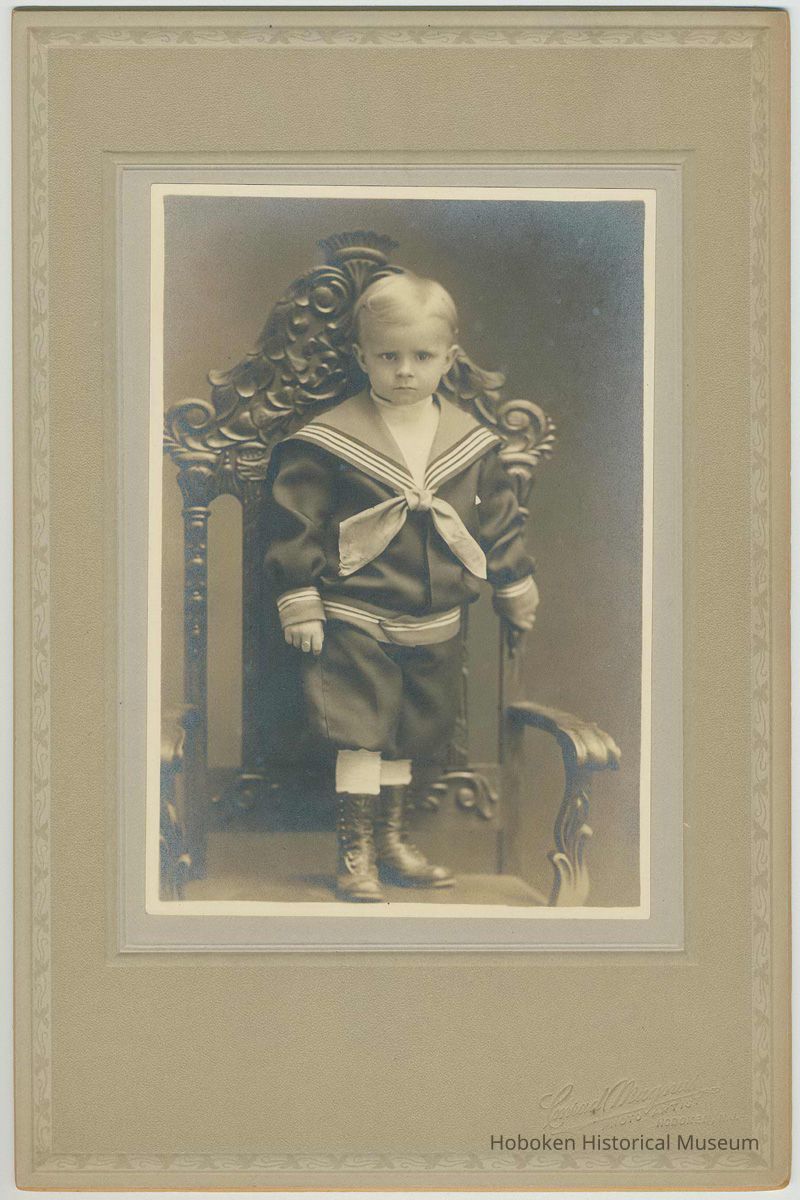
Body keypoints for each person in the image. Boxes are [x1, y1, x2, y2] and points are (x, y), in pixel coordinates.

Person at [264, 271, 538, 901]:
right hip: (356, 611)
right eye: (388, 356)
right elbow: (296, 520)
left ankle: (391, 839)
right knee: (362, 726)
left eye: (422, 356)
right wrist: (299, 597)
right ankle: (354, 850)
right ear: (363, 357)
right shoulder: (331, 438)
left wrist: (515, 580)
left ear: (449, 358)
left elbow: (496, 518)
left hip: (437, 617)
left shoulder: (469, 440)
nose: (406, 371)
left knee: (413, 727)